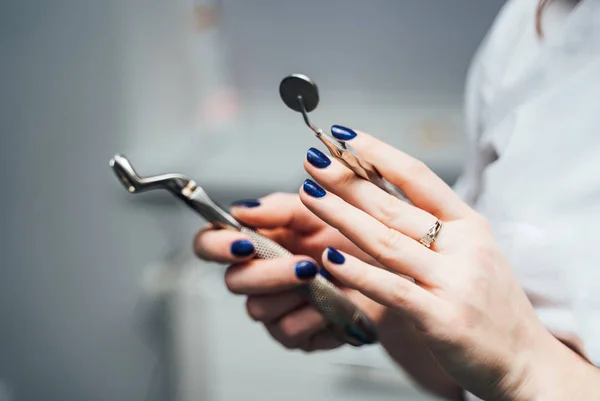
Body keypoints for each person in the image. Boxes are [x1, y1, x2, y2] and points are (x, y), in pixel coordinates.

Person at [193, 0, 600, 399]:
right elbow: (464, 379)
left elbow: (513, 363)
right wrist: (388, 284)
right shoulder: (527, 22)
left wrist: (528, 367)